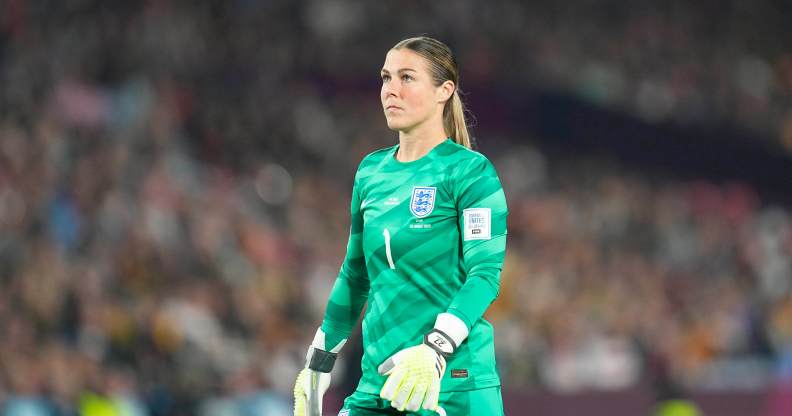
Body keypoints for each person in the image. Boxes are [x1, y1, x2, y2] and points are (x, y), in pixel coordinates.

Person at [293, 36, 508, 416]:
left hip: (454, 384)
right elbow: (355, 275)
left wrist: (434, 350)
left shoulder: (471, 172)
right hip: (378, 384)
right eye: (385, 77)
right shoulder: (371, 172)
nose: (391, 89)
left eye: (407, 77)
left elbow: (485, 274)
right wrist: (318, 362)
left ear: (445, 90)